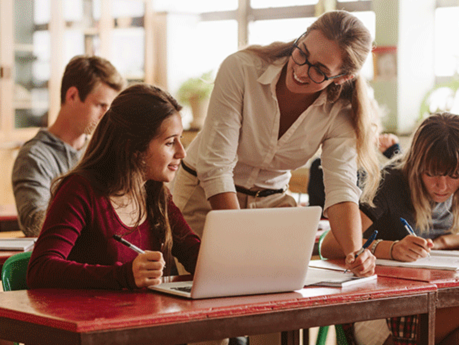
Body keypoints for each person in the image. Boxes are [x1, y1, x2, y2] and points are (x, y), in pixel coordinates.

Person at [172, 10, 380, 276]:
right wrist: (233, 239)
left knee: (275, 297)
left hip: (269, 205)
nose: (301, 71)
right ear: (301, 37)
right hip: (205, 197)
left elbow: (341, 190)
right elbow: (215, 167)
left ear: (342, 78)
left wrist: (355, 253)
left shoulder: (341, 111)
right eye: (302, 53)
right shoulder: (242, 68)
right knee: (208, 289)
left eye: (319, 70)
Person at [27, 83, 201, 291]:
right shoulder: (80, 190)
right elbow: (39, 270)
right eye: (170, 142)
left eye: (180, 140)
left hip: (141, 318)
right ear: (133, 147)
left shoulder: (156, 193)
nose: (182, 153)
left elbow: (194, 254)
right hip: (90, 319)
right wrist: (123, 275)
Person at [321, 112, 459, 345]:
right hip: (380, 309)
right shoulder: (390, 183)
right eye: (432, 173)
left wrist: (445, 241)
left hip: (435, 301)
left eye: (454, 175)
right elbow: (329, 244)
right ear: (416, 164)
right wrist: (390, 249)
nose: (442, 186)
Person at [12, 55, 125, 237]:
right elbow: (34, 224)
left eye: (109, 108)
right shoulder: (33, 157)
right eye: (100, 105)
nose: (107, 116)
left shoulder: (101, 152)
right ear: (72, 96)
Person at [308, 132, 401, 214]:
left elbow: (403, 184)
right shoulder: (319, 166)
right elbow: (317, 210)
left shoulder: (374, 171)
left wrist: (395, 153)